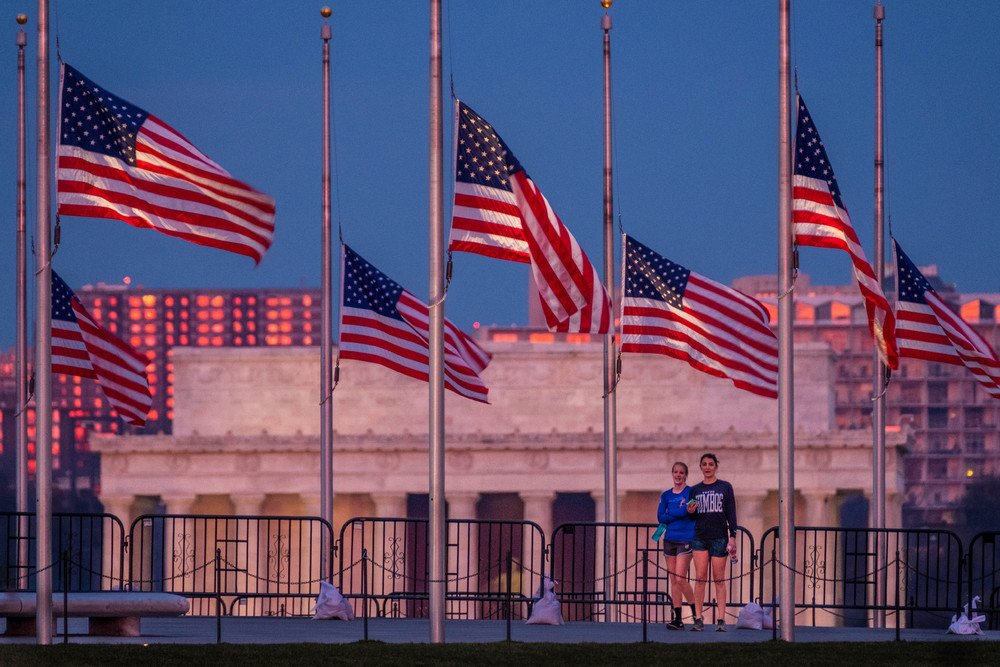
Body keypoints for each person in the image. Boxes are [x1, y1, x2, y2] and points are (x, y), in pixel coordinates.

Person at [686, 452, 738, 632]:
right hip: (700, 537)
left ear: (716, 466)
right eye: (704, 464)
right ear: (700, 467)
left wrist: (733, 536)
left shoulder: (725, 487)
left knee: (719, 579)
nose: (707, 467)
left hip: (720, 536)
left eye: (710, 464)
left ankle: (721, 619)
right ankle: (698, 618)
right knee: (700, 578)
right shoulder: (695, 489)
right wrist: (690, 510)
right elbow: (691, 515)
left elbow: (731, 512)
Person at [656, 461, 696, 630]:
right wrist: (680, 512)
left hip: (686, 538)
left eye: (681, 472)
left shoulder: (691, 492)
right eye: (675, 472)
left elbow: (689, 511)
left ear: (686, 475)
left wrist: (672, 513)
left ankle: (696, 612)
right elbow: (660, 517)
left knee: (681, 578)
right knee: (674, 580)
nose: (678, 475)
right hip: (669, 538)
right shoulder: (666, 495)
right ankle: (678, 619)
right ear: (672, 474)